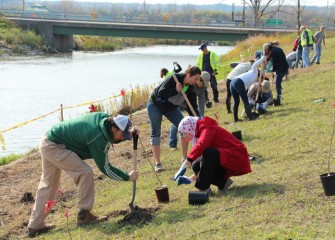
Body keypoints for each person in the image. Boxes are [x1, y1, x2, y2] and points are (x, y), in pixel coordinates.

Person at [27, 113, 139, 238]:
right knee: (85, 173)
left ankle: (35, 226)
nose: (123, 138)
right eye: (123, 135)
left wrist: (131, 131)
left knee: (48, 184)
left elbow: (115, 135)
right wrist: (127, 177)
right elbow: (106, 168)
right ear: (113, 128)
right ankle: (84, 215)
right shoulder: (97, 137)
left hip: (49, 139)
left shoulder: (106, 120)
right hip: (55, 146)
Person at [176, 116, 251, 194]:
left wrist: (185, 164)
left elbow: (201, 144)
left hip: (237, 156)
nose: (185, 136)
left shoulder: (207, 128)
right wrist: (190, 179)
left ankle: (203, 189)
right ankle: (223, 182)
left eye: (185, 133)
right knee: (196, 164)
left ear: (190, 129)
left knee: (209, 153)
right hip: (226, 156)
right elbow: (204, 165)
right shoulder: (200, 131)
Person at [147, 66, 201, 172]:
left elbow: (193, 106)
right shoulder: (175, 77)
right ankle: (158, 164)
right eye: (195, 79)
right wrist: (175, 90)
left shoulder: (190, 88)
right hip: (155, 105)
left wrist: (197, 119)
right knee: (156, 132)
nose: (196, 81)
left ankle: (184, 158)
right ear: (189, 75)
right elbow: (161, 92)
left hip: (170, 108)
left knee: (184, 128)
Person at [230, 55, 266, 122]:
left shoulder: (250, 78)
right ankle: (251, 117)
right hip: (238, 82)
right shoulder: (255, 72)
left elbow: (246, 88)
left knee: (236, 102)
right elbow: (254, 65)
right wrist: (262, 59)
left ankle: (236, 119)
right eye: (261, 78)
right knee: (245, 101)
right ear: (259, 75)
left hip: (233, 82)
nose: (260, 80)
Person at [160, 62, 183, 150]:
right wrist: (176, 64)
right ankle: (173, 144)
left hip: (176, 99)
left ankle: (173, 144)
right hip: (178, 98)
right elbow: (180, 69)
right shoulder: (172, 72)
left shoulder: (167, 77)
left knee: (176, 123)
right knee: (178, 122)